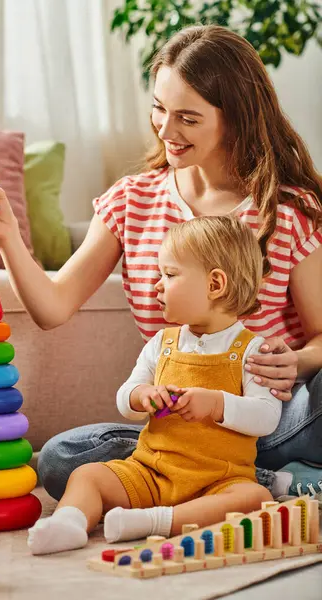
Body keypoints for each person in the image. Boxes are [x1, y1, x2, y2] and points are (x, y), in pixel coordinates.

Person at [0, 25, 322, 506]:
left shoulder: (289, 210)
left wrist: (294, 361)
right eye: (159, 108)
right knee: (60, 459)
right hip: (179, 435)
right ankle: (263, 484)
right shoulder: (132, 201)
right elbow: (52, 307)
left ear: (234, 118)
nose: (166, 131)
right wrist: (5, 233)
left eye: (188, 118)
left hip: (271, 420)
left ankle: (243, 477)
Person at [27, 215, 281, 555]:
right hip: (150, 472)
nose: (156, 285)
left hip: (219, 481)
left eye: (170, 274)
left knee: (255, 498)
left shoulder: (251, 349)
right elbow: (126, 395)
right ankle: (68, 523)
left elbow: (266, 417)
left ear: (215, 284)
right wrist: (140, 396)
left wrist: (217, 404)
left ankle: (154, 522)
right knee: (88, 475)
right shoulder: (162, 343)